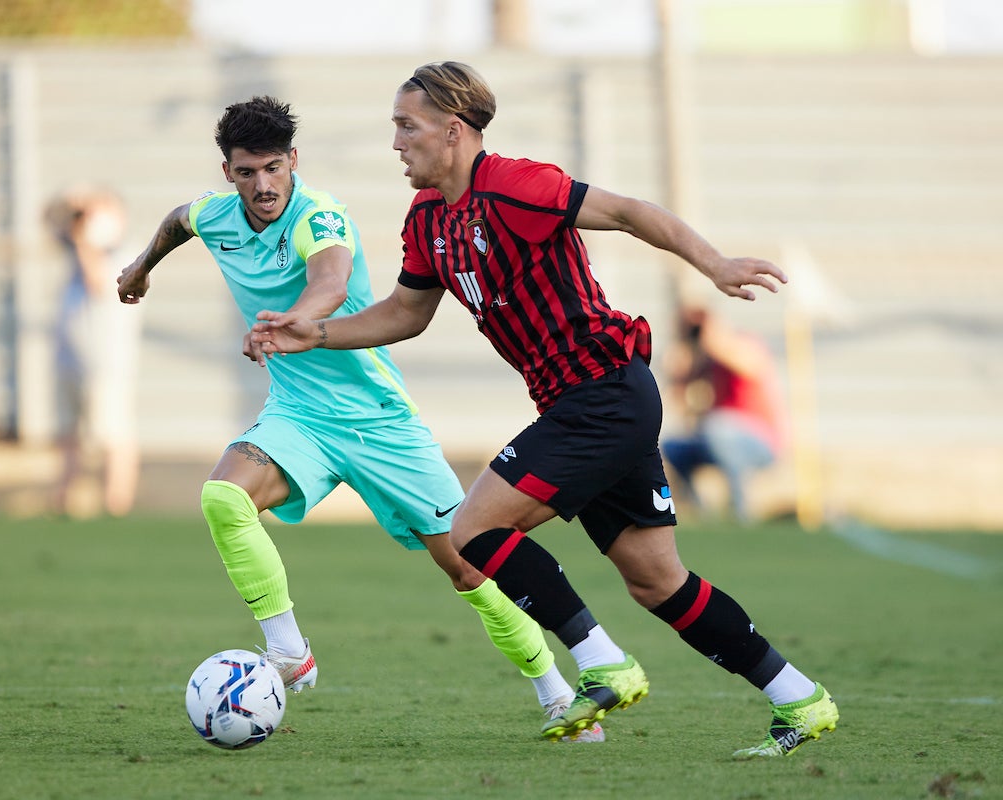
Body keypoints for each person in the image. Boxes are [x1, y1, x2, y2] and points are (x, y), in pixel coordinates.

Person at [252, 62, 838, 758]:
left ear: (454, 130)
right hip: (582, 405)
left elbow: (627, 212)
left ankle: (602, 662)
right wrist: (312, 332)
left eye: (407, 127)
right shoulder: (430, 219)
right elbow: (405, 314)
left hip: (606, 392)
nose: (396, 143)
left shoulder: (515, 184)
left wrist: (712, 264)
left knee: (471, 528)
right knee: (658, 581)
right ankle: (800, 697)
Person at [114, 97, 598, 740]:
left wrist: (297, 321)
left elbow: (333, 279)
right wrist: (140, 269)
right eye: (247, 171)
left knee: (469, 565)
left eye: (272, 168)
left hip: (378, 422)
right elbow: (178, 221)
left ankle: (556, 691)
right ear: (228, 173)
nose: (262, 185)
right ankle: (287, 648)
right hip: (300, 417)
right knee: (224, 498)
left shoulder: (320, 213)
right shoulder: (216, 215)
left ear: (293, 161)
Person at [46, 186, 142, 518]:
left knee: (113, 437)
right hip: (69, 361)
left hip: (106, 365)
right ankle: (63, 502)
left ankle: (116, 505)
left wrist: (85, 239)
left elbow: (98, 283)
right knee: (68, 435)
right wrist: (71, 204)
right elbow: (46, 219)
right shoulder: (77, 248)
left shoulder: (126, 253)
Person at [661, 304, 787, 523]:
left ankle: (740, 510)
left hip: (761, 439)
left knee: (717, 427)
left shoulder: (745, 343)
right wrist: (678, 364)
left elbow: (749, 365)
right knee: (673, 446)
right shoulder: (706, 359)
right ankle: (699, 512)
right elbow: (679, 396)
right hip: (719, 437)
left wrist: (712, 335)